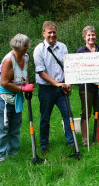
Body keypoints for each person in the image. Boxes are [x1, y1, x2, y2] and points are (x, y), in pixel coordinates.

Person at [0, 34, 34, 163]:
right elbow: (4, 83)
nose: (26, 48)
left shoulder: (26, 57)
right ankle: (0, 157)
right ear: (21, 47)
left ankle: (14, 153)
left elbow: (24, 74)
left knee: (14, 127)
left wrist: (27, 85)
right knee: (2, 129)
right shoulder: (9, 60)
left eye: (26, 46)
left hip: (15, 96)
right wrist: (22, 89)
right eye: (25, 47)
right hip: (1, 97)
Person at [33, 21, 74, 154]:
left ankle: (71, 142)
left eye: (54, 32)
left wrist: (68, 82)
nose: (52, 35)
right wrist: (56, 83)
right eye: (49, 32)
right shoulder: (38, 49)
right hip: (46, 89)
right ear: (43, 33)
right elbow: (41, 72)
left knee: (68, 115)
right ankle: (44, 144)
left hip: (62, 88)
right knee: (45, 117)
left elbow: (67, 67)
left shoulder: (63, 47)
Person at [77, 26, 99, 146]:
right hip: (86, 88)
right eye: (89, 35)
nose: (91, 37)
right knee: (86, 113)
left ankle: (97, 137)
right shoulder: (80, 52)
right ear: (84, 37)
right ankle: (85, 139)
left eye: (93, 35)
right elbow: (78, 70)